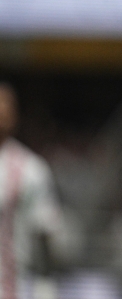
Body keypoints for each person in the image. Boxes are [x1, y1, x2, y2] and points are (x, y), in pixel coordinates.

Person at [0, 82, 61, 299]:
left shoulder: (30, 168)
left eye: (6, 106)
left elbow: (44, 233)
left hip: (12, 287)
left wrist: (45, 284)